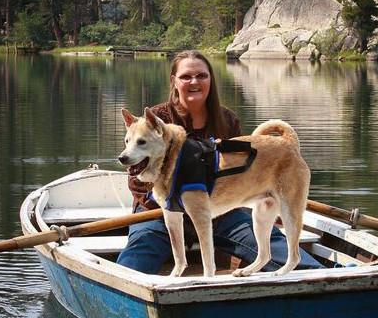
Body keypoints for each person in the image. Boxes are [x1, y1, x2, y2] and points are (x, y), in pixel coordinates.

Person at [116, 50, 322, 274]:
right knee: (135, 259)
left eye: (201, 76)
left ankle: (327, 276)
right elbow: (137, 182)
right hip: (158, 216)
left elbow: (240, 172)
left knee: (273, 242)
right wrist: (178, 201)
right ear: (174, 81)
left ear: (210, 80)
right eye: (186, 77)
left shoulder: (227, 120)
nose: (194, 82)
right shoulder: (153, 121)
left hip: (220, 214)